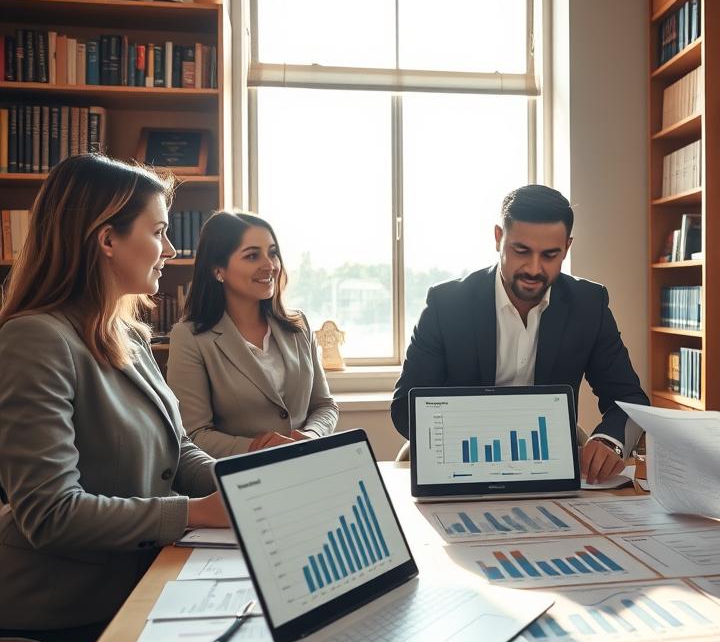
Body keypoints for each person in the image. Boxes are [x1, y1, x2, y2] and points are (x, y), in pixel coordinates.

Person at [0, 154, 227, 642]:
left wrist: (252, 477)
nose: (170, 249)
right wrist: (195, 512)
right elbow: (50, 513)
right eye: (160, 231)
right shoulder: (36, 339)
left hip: (136, 584)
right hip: (62, 616)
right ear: (107, 240)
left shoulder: (126, 332)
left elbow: (176, 451)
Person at [392, 185, 649, 483]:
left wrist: (609, 440)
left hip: (553, 472)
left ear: (567, 247)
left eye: (550, 255)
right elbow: (405, 408)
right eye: (521, 251)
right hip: (463, 468)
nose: (534, 268)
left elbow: (629, 398)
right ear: (499, 238)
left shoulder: (589, 304)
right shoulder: (447, 304)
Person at [167, 211, 338, 458]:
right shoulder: (190, 337)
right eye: (252, 255)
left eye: (273, 252)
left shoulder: (298, 325)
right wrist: (260, 448)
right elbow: (194, 434)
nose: (270, 265)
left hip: (307, 468)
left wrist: (310, 436)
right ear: (218, 269)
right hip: (240, 480)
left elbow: (324, 405)